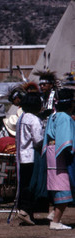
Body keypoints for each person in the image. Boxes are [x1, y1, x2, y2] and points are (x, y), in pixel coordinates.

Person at [42, 88, 74, 230]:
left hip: (52, 152)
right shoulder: (65, 118)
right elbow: (66, 140)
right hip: (60, 154)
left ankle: (54, 213)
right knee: (64, 187)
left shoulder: (53, 116)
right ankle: (55, 221)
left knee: (60, 185)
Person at [15, 92, 43, 225]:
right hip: (31, 156)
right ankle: (25, 210)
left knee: (24, 184)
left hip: (21, 156)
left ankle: (24, 210)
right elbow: (38, 140)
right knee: (31, 185)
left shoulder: (22, 117)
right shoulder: (34, 120)